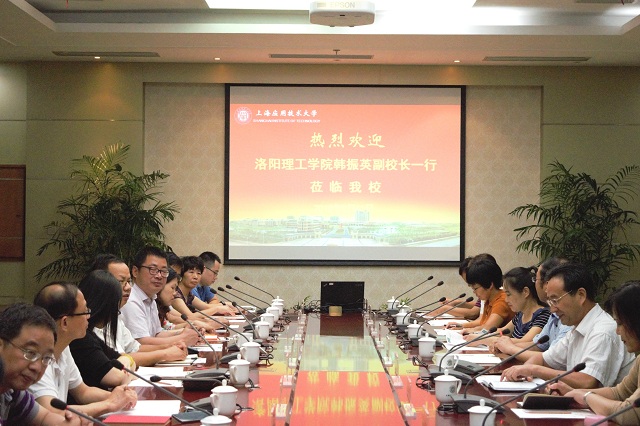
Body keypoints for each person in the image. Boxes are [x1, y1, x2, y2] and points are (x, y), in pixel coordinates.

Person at [501, 263, 635, 388]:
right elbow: (542, 358)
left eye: (555, 300)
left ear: (581, 295)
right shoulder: (577, 328)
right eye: (550, 302)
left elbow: (587, 381)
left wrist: (534, 370)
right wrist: (525, 370)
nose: (552, 309)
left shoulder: (602, 331)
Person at [30, 282, 138, 417]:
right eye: (85, 311)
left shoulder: (64, 348)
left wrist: (119, 396)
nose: (89, 316)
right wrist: (109, 404)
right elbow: (52, 412)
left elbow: (83, 392)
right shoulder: (35, 360)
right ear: (65, 322)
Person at [549, 281, 640, 423]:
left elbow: (631, 414)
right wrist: (574, 393)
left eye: (620, 323)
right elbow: (619, 393)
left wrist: (587, 397)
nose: (617, 331)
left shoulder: (603, 331)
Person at [89, 254, 189, 366]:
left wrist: (170, 346)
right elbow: (119, 360)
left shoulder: (115, 315)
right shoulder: (94, 321)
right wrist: (165, 353)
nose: (128, 287)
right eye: (121, 281)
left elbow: (135, 348)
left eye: (128, 281)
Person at [0, 303, 85, 425]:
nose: (37, 367)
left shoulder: (11, 391)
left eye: (46, 358)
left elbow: (44, 417)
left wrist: (71, 422)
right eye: (30, 353)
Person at [492, 257, 572, 360]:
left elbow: (552, 359)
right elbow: (536, 345)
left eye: (536, 279)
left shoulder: (550, 315)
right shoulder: (554, 314)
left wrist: (510, 348)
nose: (534, 284)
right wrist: (503, 347)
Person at [120, 246, 199, 346]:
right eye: (153, 269)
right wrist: (183, 338)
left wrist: (185, 332)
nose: (159, 276)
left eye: (164, 271)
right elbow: (142, 342)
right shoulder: (131, 300)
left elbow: (157, 334)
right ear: (135, 271)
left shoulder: (151, 298)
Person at [69, 271, 135, 389]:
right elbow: (115, 379)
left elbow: (128, 359)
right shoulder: (79, 339)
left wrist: (126, 362)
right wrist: (126, 371)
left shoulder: (89, 334)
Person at [477, 267, 549, 346]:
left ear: (525, 292)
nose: (506, 300)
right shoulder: (520, 314)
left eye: (508, 294)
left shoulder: (543, 315)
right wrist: (480, 335)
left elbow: (525, 342)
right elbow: (503, 331)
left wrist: (483, 340)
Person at [448, 256, 514, 332]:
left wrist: (468, 330)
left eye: (475, 288)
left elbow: (487, 328)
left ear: (489, 285)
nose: (474, 292)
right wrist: (462, 326)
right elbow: (483, 323)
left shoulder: (501, 301)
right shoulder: (489, 300)